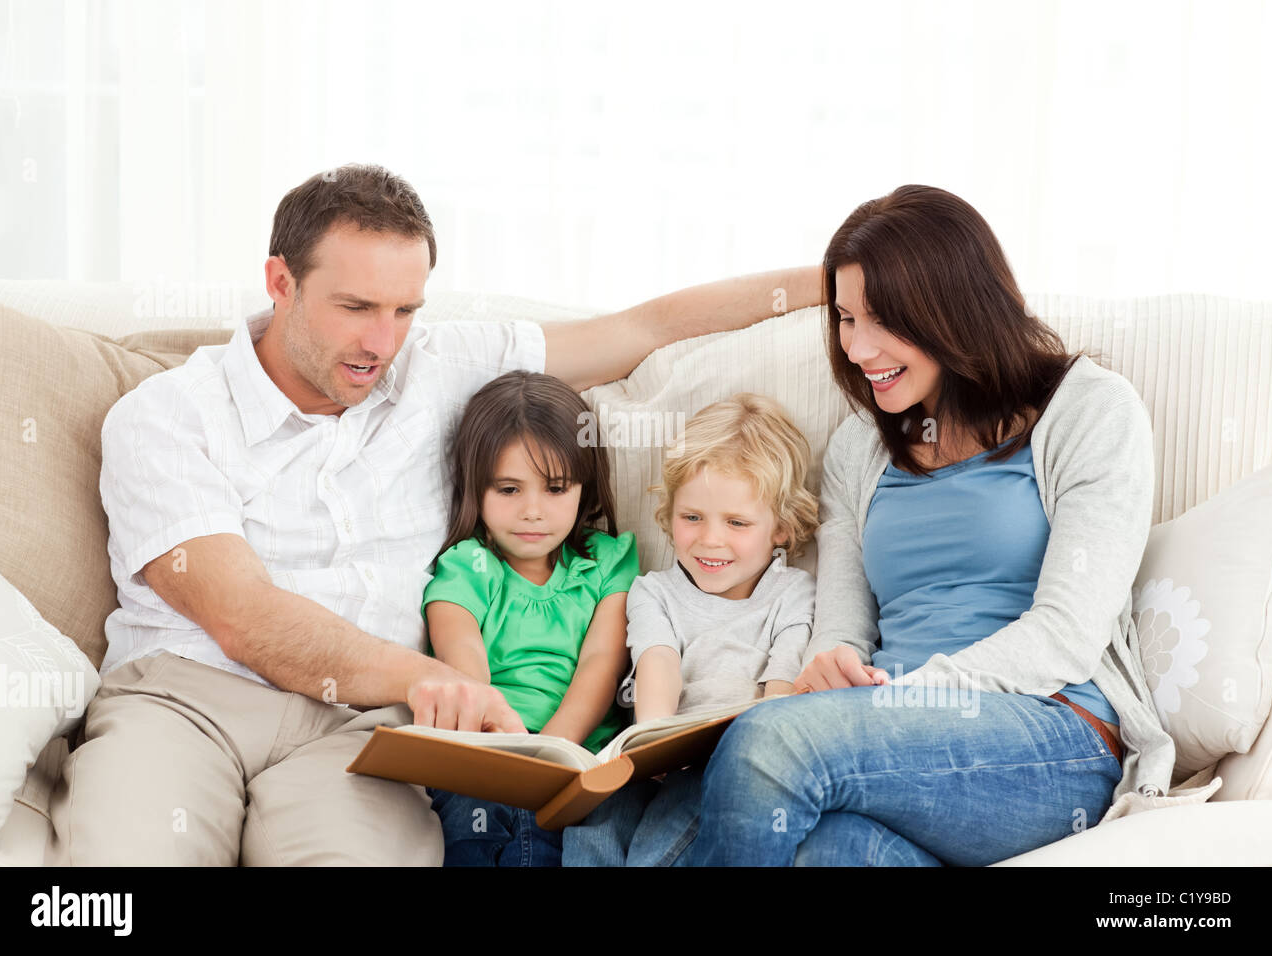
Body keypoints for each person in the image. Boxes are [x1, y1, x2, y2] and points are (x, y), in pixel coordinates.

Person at [47, 163, 824, 865]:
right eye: (355, 307)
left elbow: (641, 330)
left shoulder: (440, 367)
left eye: (404, 310)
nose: (381, 343)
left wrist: (845, 278)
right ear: (279, 281)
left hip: (356, 733)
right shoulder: (168, 415)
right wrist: (434, 679)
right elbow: (243, 618)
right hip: (187, 699)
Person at [689, 184, 1176, 867]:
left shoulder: (1091, 410)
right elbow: (844, 628)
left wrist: (914, 692)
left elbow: (1065, 637)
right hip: (892, 734)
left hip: (1049, 734)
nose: (857, 349)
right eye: (845, 318)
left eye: (881, 320)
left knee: (771, 742)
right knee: (830, 854)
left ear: (954, 307)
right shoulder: (858, 447)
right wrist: (833, 663)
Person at [563, 393, 819, 866]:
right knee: (595, 818)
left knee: (659, 846)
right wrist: (654, 738)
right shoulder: (653, 591)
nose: (710, 539)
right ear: (671, 513)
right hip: (655, 750)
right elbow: (656, 659)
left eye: (737, 522)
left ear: (781, 528)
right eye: (692, 517)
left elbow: (782, 683)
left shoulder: (792, 591)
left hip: (728, 761)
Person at [421, 371, 638, 866]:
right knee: (473, 822)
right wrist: (504, 744)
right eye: (509, 489)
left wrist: (551, 750)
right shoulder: (468, 565)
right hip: (484, 750)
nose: (533, 512)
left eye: (556, 488)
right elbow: (463, 657)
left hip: (579, 759)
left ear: (585, 486)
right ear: (476, 487)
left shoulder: (608, 561)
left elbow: (603, 661)